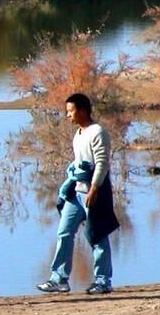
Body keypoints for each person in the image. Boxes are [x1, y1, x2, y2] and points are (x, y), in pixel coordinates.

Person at [36, 92, 120, 295]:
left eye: (71, 111)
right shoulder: (79, 134)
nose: (68, 115)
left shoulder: (97, 132)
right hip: (77, 192)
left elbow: (102, 163)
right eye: (67, 112)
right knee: (64, 232)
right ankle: (59, 279)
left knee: (97, 236)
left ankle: (103, 281)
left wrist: (94, 189)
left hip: (94, 193)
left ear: (82, 110)